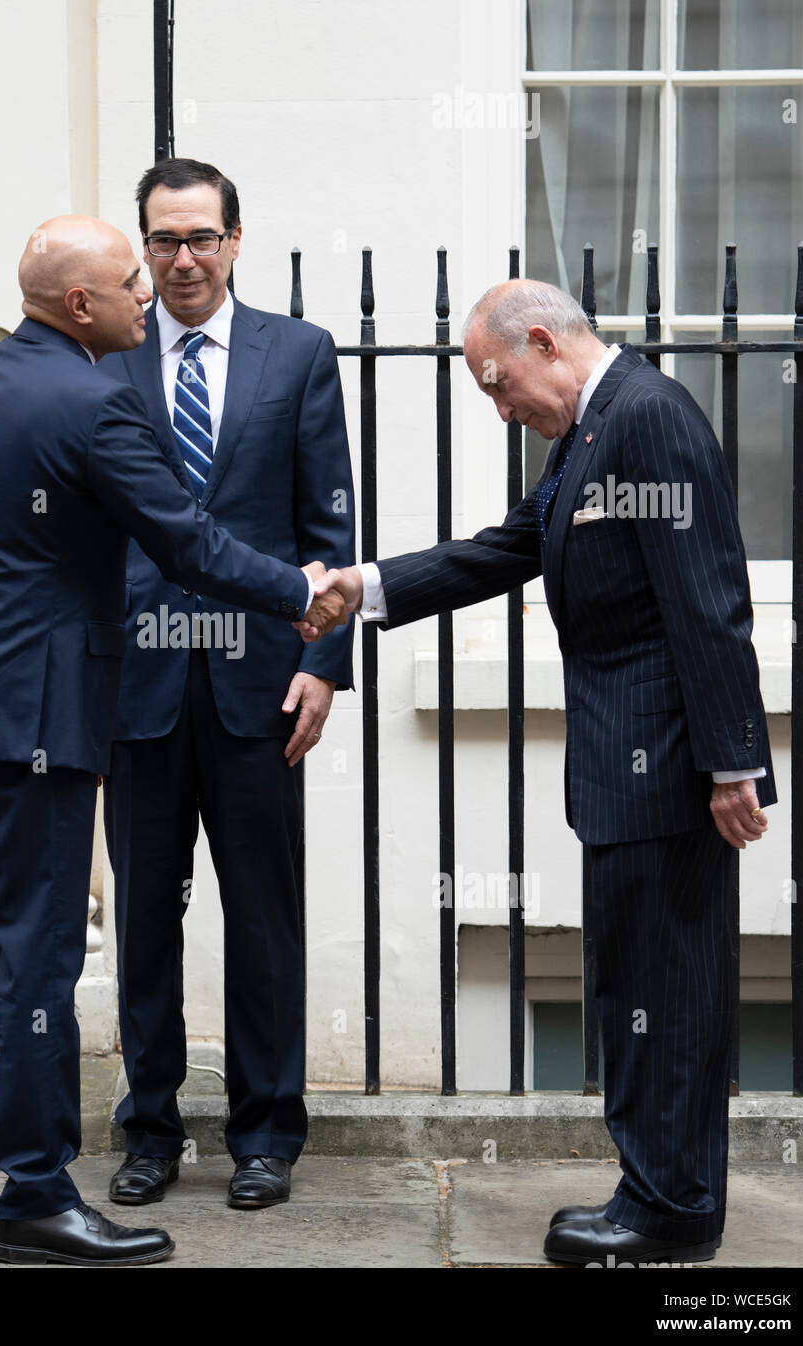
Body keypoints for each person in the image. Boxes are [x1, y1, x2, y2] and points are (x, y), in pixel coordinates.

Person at [0, 215, 344, 1266]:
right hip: (36, 716)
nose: (147, 290)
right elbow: (189, 541)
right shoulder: (92, 401)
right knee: (39, 955)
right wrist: (300, 590)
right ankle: (36, 1194)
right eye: (128, 280)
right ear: (79, 306)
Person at [305, 278, 774, 1266]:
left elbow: (709, 599)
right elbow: (511, 547)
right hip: (626, 767)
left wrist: (734, 761)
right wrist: (369, 587)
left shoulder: (646, 420)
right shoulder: (592, 429)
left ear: (542, 341)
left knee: (668, 989)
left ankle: (670, 1209)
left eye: (496, 381)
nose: (498, 403)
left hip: (669, 770)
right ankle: (654, 1188)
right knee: (637, 985)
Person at [98, 158, 355, 1212]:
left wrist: (321, 664)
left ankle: (263, 1132)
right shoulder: (104, 356)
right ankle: (148, 1129)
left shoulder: (296, 354)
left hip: (260, 683)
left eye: (201, 237)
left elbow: (328, 528)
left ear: (236, 240)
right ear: (142, 249)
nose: (183, 259)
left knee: (262, 916)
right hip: (137, 683)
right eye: (162, 241)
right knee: (144, 919)